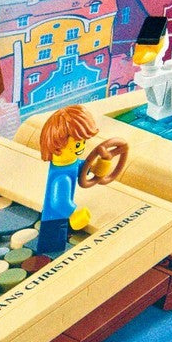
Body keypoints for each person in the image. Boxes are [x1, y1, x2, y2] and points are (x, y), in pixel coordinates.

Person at [35, 105, 113, 255]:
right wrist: (73, 214)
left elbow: (83, 168)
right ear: (57, 145)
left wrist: (99, 166)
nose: (81, 147)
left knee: (58, 241)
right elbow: (59, 203)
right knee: (53, 247)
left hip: (58, 216)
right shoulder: (61, 178)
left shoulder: (70, 164)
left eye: (83, 142)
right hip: (55, 219)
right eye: (77, 144)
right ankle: (47, 257)